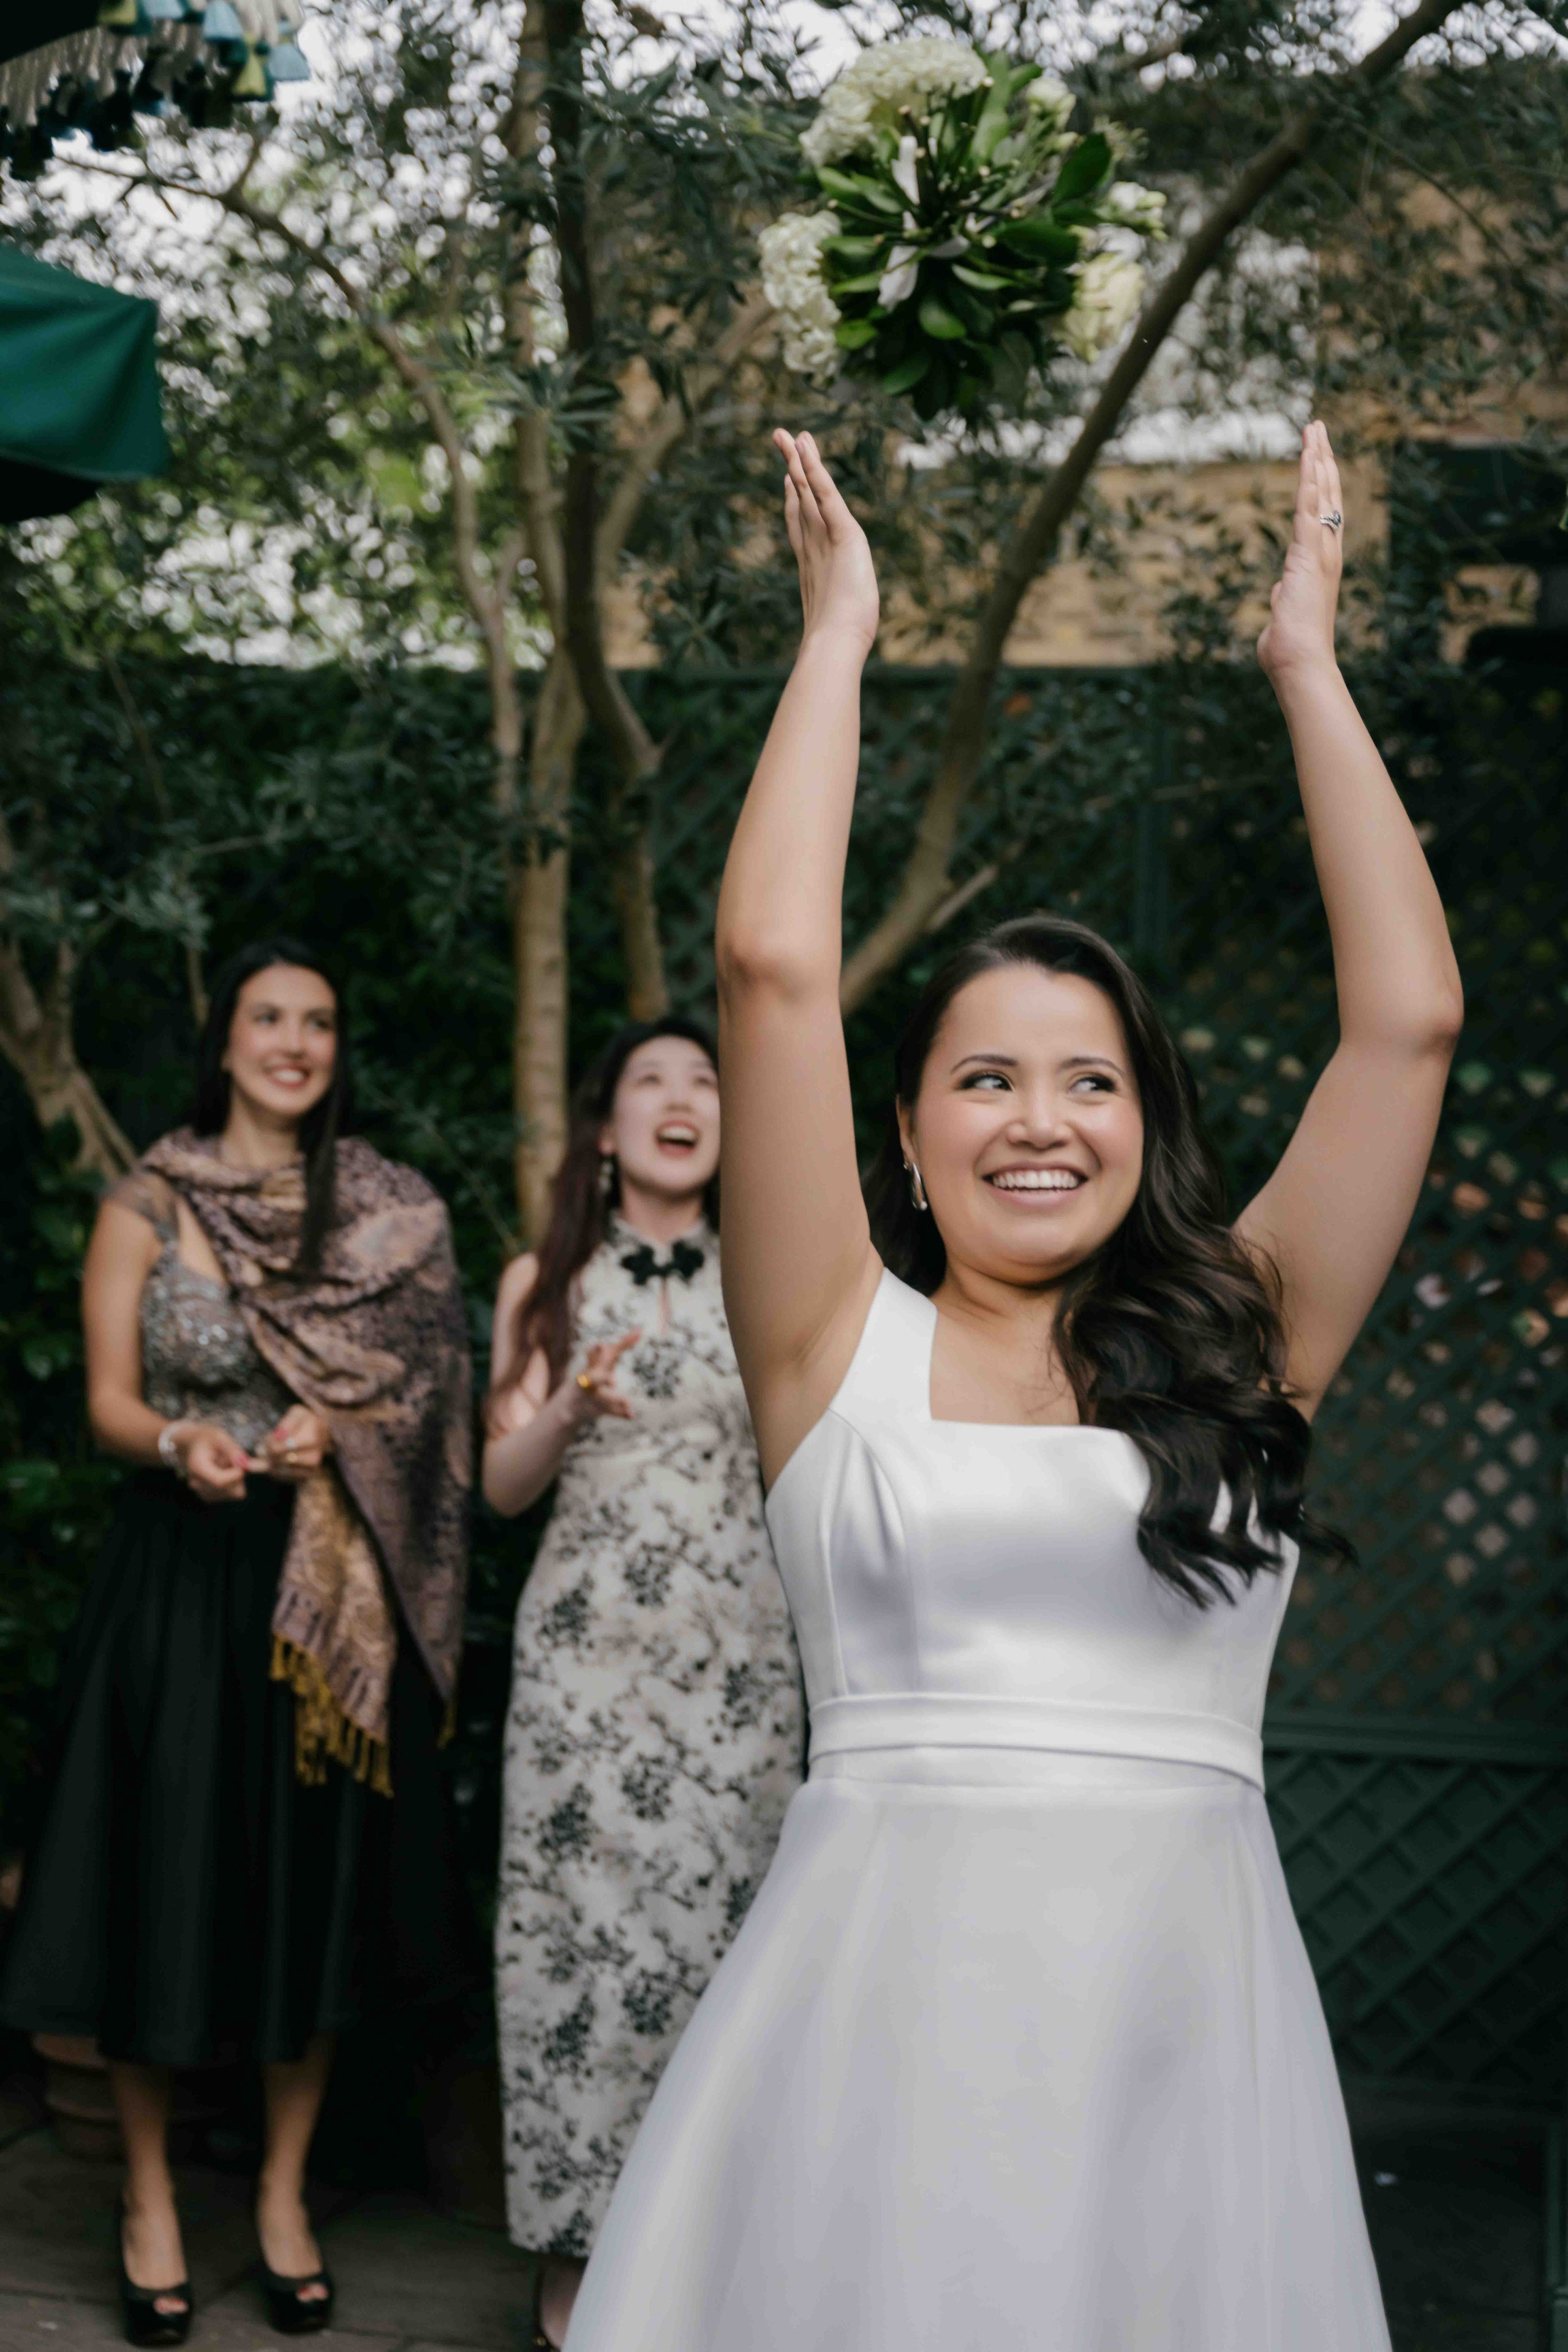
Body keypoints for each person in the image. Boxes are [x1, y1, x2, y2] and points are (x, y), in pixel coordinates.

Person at [560, 423, 1461, 2350]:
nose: (1039, 1122)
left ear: (1148, 1125)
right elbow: (770, 964)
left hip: (1179, 2045)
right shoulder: (828, 1346)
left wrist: (1309, 665)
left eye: (1090, 1081)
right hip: (867, 2050)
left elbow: (1409, 1022)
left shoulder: (1251, 1347)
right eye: (987, 1078)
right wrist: (838, 639)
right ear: (906, 1133)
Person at [0, 940, 474, 2347]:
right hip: (176, 1584)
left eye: (319, 1020)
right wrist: (181, 1440)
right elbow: (102, 1404)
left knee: (301, 1888)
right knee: (157, 1883)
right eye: (268, 1016)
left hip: (328, 1601)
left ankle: (279, 2194)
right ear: (224, 1042)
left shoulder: (388, 1212)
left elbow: (428, 1397)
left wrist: (351, 1429)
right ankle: (147, 2197)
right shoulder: (148, 1200)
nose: (294, 1040)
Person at [483, 1017, 805, 2350]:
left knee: (721, 1958)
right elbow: (496, 1489)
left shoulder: (778, 1279)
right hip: (585, 1676)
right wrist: (564, 1412)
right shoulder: (539, 1281)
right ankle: (574, 2273)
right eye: (650, 1081)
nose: (680, 1099)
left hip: (739, 1678)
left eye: (704, 1080)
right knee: (580, 1962)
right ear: (604, 1125)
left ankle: (705, 2265)